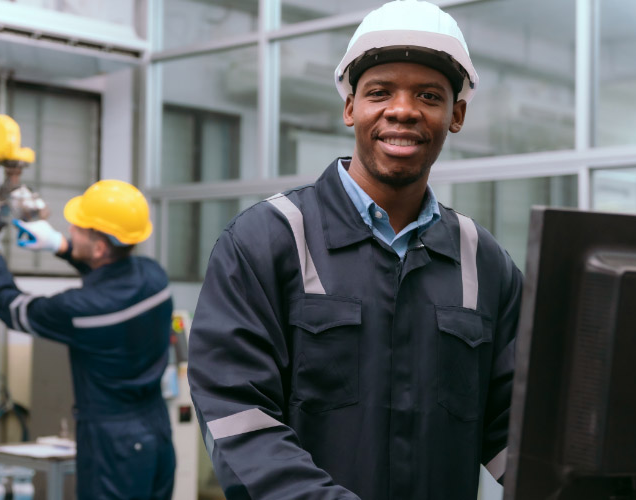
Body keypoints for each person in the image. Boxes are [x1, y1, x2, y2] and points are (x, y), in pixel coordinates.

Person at [187, 1, 524, 499]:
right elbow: (239, 420)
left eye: (429, 95)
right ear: (351, 108)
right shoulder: (267, 240)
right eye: (380, 92)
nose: (403, 110)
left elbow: (511, 427)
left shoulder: (483, 261)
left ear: (456, 114)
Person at [0, 179, 176, 500]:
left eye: (78, 227)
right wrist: (61, 246)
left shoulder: (80, 309)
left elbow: (10, 306)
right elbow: (108, 277)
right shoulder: (154, 277)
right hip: (156, 431)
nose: (70, 228)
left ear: (99, 247)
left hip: (112, 444)